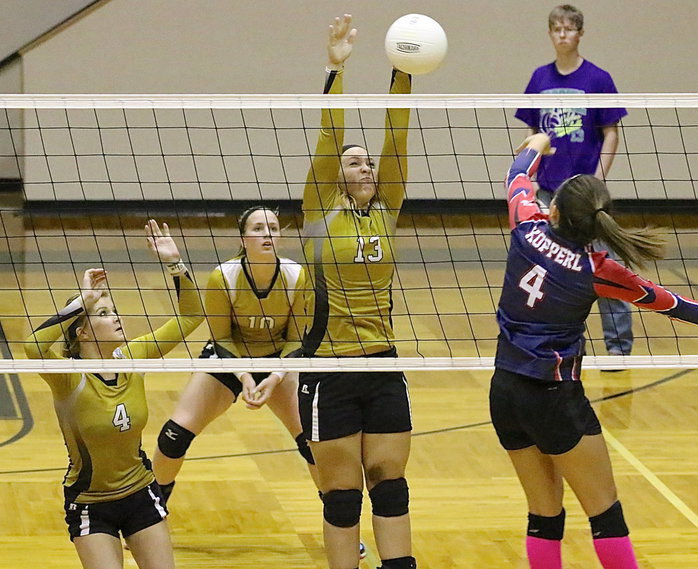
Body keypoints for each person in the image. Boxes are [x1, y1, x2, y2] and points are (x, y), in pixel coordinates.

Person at [491, 133, 698, 569]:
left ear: (553, 210)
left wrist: (537, 143)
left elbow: (517, 175)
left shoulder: (526, 225)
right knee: (604, 512)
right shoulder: (598, 270)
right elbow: (673, 305)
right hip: (554, 398)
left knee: (544, 513)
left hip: (503, 392)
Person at [296, 14, 415, 569]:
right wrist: (336, 69)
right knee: (342, 497)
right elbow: (328, 139)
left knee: (390, 484)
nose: (364, 164)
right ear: (335, 177)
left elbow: (397, 136)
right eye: (353, 161)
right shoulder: (319, 214)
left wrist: (404, 71)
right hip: (329, 369)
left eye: (367, 161)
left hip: (382, 364)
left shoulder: (386, 209)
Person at [23, 220, 204, 569]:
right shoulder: (67, 375)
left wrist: (175, 264)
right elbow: (33, 346)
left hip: (139, 492)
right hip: (90, 502)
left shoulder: (133, 357)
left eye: (114, 310)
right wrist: (82, 301)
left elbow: (192, 316)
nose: (117, 317)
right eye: (104, 314)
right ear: (83, 332)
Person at [150, 206, 318, 505]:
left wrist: (275, 376)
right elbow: (221, 337)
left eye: (274, 228)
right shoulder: (224, 277)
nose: (267, 233)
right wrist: (243, 376)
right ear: (243, 238)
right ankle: (152, 508)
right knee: (172, 437)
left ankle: (340, 520)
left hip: (278, 359)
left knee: (314, 445)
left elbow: (297, 339)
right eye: (257, 228)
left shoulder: (295, 276)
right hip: (228, 358)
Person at [515, 4, 633, 359]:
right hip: (550, 192)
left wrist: (598, 180)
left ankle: (618, 349)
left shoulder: (598, 79)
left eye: (569, 29)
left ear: (580, 34)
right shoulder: (539, 78)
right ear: (550, 34)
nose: (562, 35)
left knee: (605, 265)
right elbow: (533, 133)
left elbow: (611, 132)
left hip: (585, 195)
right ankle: (555, 343)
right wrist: (530, 178)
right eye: (556, 29)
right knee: (551, 267)